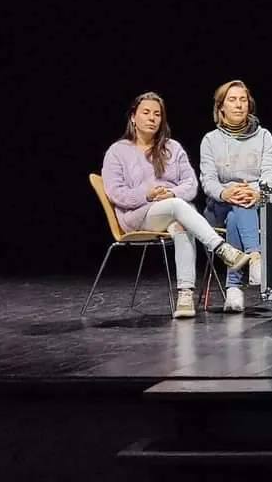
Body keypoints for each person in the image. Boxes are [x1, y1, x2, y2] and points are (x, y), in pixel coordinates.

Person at [101, 92, 253, 319]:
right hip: (137, 216)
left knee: (182, 219)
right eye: (146, 113)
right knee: (180, 208)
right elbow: (116, 193)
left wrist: (171, 192)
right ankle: (221, 248)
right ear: (133, 117)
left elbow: (191, 185)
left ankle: (185, 294)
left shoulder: (172, 148)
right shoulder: (118, 151)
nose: (152, 118)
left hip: (174, 212)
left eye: (157, 114)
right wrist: (148, 194)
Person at [199, 80, 272, 313]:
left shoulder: (263, 136)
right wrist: (227, 192)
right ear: (221, 107)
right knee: (235, 208)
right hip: (219, 208)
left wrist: (254, 191)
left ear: (249, 104)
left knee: (239, 214)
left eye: (243, 99)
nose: (238, 105)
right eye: (232, 100)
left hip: (253, 204)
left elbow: (270, 174)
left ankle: (233, 288)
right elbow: (208, 181)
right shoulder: (210, 140)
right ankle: (255, 257)